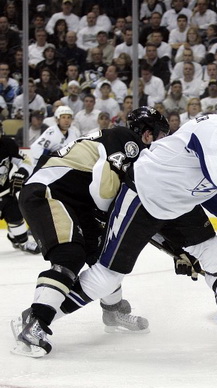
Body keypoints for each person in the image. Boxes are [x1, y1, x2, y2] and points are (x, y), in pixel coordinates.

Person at [23, 88, 217, 355]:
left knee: (214, 250)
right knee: (107, 275)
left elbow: (210, 187)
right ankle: (39, 317)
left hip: (175, 203)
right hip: (142, 195)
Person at [11, 107, 170, 358]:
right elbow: (104, 187)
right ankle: (34, 321)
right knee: (69, 256)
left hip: (75, 201)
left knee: (105, 257)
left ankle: (113, 310)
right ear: (147, 133)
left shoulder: (122, 142)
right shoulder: (129, 142)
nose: (162, 142)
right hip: (49, 193)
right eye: (161, 135)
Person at [0, 122, 40, 254]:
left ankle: (22, 241)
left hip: (5, 193)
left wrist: (20, 173)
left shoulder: (7, 144)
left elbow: (26, 160)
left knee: (15, 214)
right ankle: (15, 236)